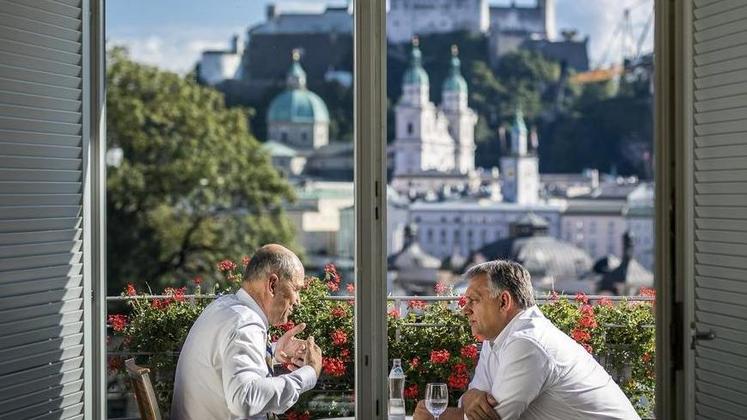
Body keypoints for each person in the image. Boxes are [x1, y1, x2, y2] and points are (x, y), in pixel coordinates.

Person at [415, 260, 640, 420]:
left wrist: (436, 415)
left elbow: (491, 417)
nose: (465, 310)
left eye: (473, 300)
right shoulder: (498, 337)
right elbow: (473, 405)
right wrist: (472, 396)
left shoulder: (527, 343)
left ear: (503, 302)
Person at [171, 244, 322, 420]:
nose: (298, 301)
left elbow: (224, 360)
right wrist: (308, 374)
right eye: (296, 289)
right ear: (272, 285)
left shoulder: (224, 307)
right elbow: (245, 400)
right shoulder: (244, 324)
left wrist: (272, 351)